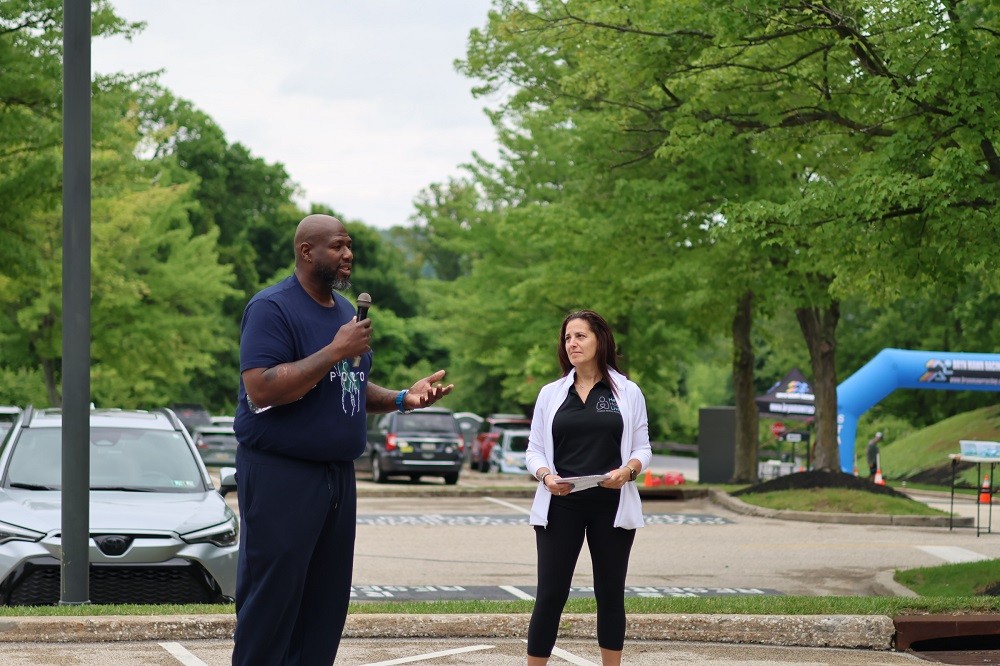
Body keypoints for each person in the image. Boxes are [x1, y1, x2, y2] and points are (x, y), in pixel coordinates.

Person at [231, 214, 453, 665]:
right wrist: (336, 349)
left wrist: (401, 399)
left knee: (324, 607)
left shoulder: (346, 314)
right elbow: (263, 387)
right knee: (271, 604)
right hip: (281, 475)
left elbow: (346, 386)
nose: (348, 254)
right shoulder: (272, 308)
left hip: (336, 478)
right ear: (306, 251)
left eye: (350, 246)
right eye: (337, 246)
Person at [524, 310, 652, 666]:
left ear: (600, 340)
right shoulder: (551, 394)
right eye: (567, 338)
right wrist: (547, 476)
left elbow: (643, 447)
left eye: (580, 336)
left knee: (610, 594)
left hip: (611, 504)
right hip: (560, 503)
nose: (572, 344)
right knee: (550, 595)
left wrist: (628, 471)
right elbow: (534, 450)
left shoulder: (627, 391)